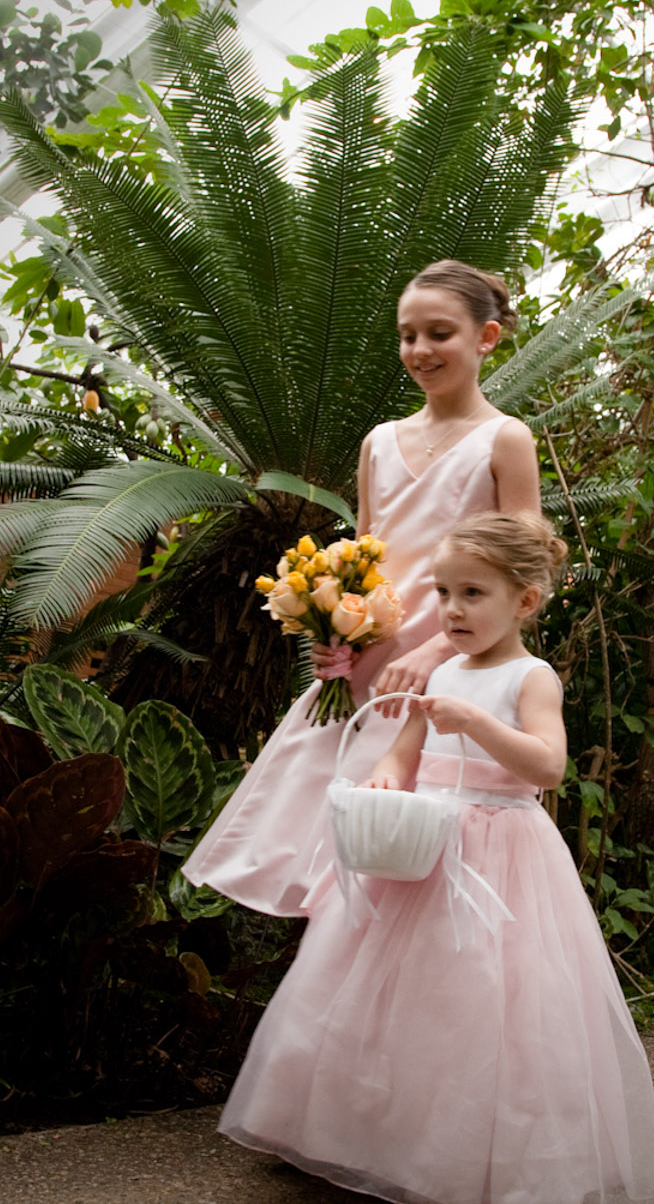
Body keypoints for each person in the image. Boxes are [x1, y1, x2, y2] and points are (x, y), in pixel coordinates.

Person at [217, 511, 654, 1204]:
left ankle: (471, 1157)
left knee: (483, 1001)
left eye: (472, 594)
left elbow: (548, 767)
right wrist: (382, 780)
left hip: (502, 856)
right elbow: (404, 752)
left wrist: (482, 725)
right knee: (387, 996)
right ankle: (369, 1137)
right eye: (443, 592)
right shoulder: (443, 672)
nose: (452, 610)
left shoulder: (531, 678)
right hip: (422, 850)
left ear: (524, 601)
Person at [182, 260, 543, 916]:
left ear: (486, 338)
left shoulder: (506, 439)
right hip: (361, 678)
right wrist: (334, 635)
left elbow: (527, 571)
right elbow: (367, 560)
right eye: (408, 336)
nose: (420, 351)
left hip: (448, 676)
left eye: (440, 333)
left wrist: (439, 657)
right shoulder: (379, 443)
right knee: (332, 857)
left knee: (416, 872)